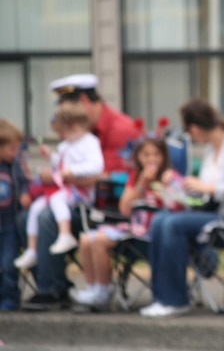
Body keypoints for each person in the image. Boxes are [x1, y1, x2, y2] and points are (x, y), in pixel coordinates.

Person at [139, 98, 224, 318]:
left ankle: (175, 300)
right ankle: (160, 298)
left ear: (194, 128)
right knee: (160, 219)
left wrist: (206, 187)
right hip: (216, 214)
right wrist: (179, 185)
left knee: (173, 224)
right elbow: (203, 193)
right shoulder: (212, 149)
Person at [20, 73, 140, 311]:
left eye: (68, 109)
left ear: (83, 101)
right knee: (24, 217)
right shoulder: (76, 132)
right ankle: (56, 283)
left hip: (105, 207)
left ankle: (50, 290)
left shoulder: (120, 128)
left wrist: (65, 175)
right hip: (76, 198)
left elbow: (111, 177)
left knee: (47, 218)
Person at [71, 136, 184, 308]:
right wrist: (141, 184)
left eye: (156, 154)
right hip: (134, 228)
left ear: (164, 157)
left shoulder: (170, 177)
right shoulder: (135, 177)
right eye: (146, 155)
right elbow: (124, 208)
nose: (151, 159)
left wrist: (159, 187)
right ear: (138, 157)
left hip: (154, 233)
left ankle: (103, 292)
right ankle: (93, 288)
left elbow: (176, 204)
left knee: (99, 241)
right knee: (86, 239)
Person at [14, 104, 104, 269]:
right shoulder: (66, 145)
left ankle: (65, 234)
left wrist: (68, 172)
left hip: (79, 195)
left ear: (75, 128)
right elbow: (61, 164)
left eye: (62, 133)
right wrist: (51, 156)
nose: (61, 137)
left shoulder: (90, 143)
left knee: (49, 211)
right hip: (65, 189)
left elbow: (95, 167)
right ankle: (32, 250)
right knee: (35, 209)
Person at [0, 119, 33, 310]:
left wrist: (25, 194)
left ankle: (11, 296)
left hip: (10, 223)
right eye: (11, 149)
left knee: (9, 262)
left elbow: (23, 184)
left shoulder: (15, 167)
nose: (16, 153)